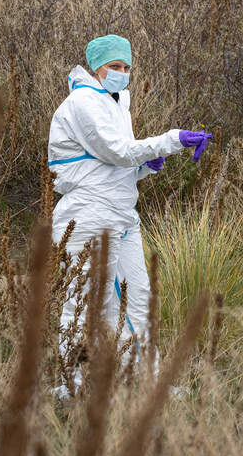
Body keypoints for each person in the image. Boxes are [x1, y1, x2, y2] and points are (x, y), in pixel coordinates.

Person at [48, 34, 211, 393]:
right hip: (87, 214)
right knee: (85, 301)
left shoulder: (117, 104)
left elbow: (112, 167)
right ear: (97, 67)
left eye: (126, 67)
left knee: (138, 297)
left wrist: (146, 167)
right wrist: (171, 140)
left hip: (122, 214)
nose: (122, 73)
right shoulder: (83, 103)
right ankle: (72, 387)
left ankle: (147, 384)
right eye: (115, 67)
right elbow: (117, 152)